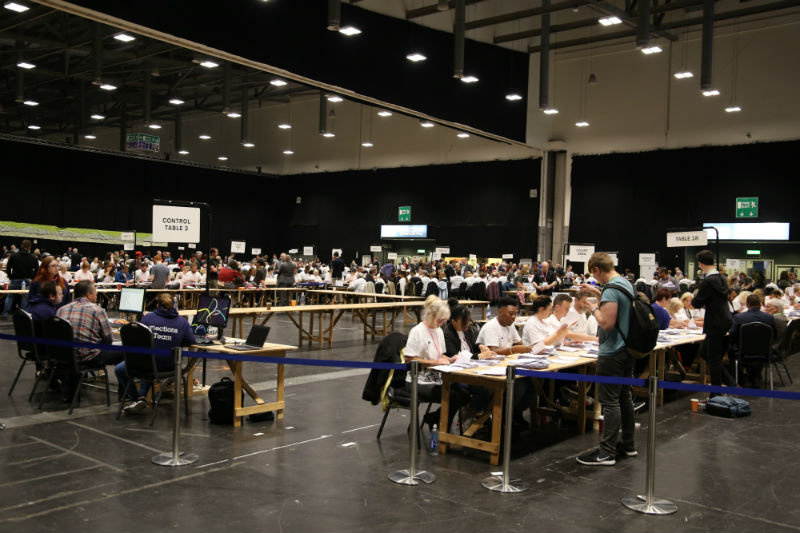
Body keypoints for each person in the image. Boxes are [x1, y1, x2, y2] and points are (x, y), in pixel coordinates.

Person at [575, 252, 636, 466]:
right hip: (626, 350)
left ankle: (607, 452)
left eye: (595, 276)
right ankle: (628, 445)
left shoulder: (611, 289)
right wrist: (597, 292)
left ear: (597, 270)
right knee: (624, 398)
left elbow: (607, 323)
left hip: (612, 351)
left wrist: (592, 308)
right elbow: (616, 309)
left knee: (610, 401)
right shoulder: (624, 283)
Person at [115, 293, 196, 413]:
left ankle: (137, 397)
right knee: (151, 363)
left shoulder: (148, 318)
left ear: (157, 305)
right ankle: (142, 398)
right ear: (174, 305)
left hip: (145, 364)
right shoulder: (182, 322)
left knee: (120, 370)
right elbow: (191, 341)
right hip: (166, 365)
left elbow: (138, 338)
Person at [403, 295, 469, 430]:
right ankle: (442, 428)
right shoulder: (417, 331)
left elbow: (441, 354)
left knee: (464, 394)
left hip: (437, 377)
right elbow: (409, 359)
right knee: (454, 396)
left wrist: (449, 359)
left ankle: (436, 419)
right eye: (439, 320)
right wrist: (434, 362)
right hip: (418, 380)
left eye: (443, 321)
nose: (441, 323)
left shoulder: (438, 331)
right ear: (429, 315)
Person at [56, 281, 124, 397]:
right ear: (88, 294)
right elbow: (108, 340)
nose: (97, 294)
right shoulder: (98, 310)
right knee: (124, 352)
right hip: (88, 357)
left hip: (64, 356)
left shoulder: (61, 310)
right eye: (95, 292)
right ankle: (124, 394)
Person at [691, 249, 736, 389]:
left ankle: (716, 394)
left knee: (714, 360)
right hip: (725, 319)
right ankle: (731, 383)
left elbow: (696, 303)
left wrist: (704, 301)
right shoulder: (722, 278)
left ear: (700, 264)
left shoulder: (707, 281)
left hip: (715, 322)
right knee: (706, 354)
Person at [728, 293, 777, 387]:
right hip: (764, 352)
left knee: (731, 350)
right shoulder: (769, 318)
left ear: (747, 304)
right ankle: (756, 375)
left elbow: (732, 334)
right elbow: (774, 335)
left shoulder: (739, 317)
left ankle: (739, 379)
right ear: (760, 304)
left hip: (743, 352)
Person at [2, 239, 38, 318]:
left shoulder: (14, 256)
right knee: (25, 297)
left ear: (21, 246)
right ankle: (22, 315)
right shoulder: (33, 257)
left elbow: (8, 268)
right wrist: (32, 277)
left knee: (10, 296)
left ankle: (5, 314)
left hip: (15, 279)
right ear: (29, 247)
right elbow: (37, 270)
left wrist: (11, 277)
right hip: (28, 280)